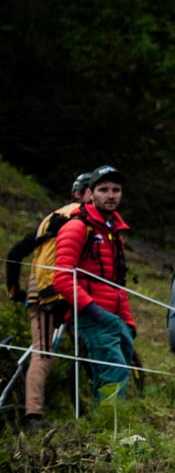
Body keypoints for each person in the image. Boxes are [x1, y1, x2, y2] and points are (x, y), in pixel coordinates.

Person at [6, 171, 91, 423]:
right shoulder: (80, 218)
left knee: (47, 352)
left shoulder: (52, 218)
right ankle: (33, 415)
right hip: (57, 292)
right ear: (86, 194)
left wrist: (14, 291)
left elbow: (15, 252)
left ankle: (68, 409)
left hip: (43, 290)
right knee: (45, 354)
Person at [47, 166, 133, 401]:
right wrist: (93, 310)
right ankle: (108, 429)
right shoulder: (76, 227)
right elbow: (62, 278)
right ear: (90, 194)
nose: (111, 195)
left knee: (119, 366)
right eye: (104, 189)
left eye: (116, 190)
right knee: (113, 372)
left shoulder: (113, 232)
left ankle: (106, 423)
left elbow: (118, 282)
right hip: (91, 314)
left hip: (113, 314)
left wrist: (127, 319)